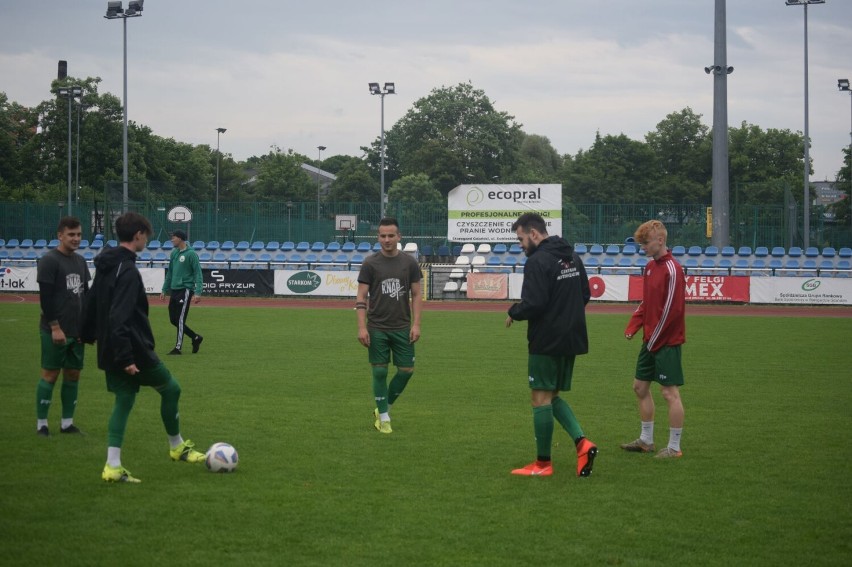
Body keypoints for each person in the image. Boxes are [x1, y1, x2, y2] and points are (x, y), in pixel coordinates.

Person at [82, 212, 206, 483]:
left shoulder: (107, 265)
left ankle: (112, 466)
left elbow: (91, 301)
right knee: (171, 388)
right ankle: (177, 447)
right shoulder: (126, 270)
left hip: (109, 347)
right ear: (138, 234)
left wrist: (86, 333)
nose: (147, 240)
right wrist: (127, 356)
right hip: (132, 350)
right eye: (147, 235)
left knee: (124, 401)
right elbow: (120, 316)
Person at [506, 212, 597, 477]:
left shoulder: (537, 261)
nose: (521, 245)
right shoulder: (572, 256)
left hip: (546, 339)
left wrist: (514, 311)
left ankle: (543, 464)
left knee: (539, 398)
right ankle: (582, 443)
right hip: (572, 338)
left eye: (521, 239)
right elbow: (585, 294)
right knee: (552, 395)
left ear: (534, 234)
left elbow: (534, 303)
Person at [622, 219, 686, 459]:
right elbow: (647, 302)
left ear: (660, 240)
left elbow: (672, 311)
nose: (643, 248)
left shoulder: (673, 269)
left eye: (646, 243)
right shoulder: (650, 267)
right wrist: (635, 325)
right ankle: (646, 440)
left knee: (670, 393)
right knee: (640, 387)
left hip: (667, 342)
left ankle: (674, 447)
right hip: (650, 341)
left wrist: (654, 338)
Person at [356, 217, 422, 434]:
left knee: (406, 370)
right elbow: (361, 296)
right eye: (383, 236)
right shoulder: (369, 263)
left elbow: (416, 294)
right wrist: (362, 327)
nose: (387, 239)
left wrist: (416, 324)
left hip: (402, 326)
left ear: (399, 236)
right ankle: (384, 418)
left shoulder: (409, 263)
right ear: (378, 237)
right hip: (376, 327)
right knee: (380, 372)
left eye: (391, 235)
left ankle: (383, 408)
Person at [35, 216, 91, 436]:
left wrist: (84, 328)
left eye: (78, 234)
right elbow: (45, 299)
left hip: (76, 332)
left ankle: (67, 423)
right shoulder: (49, 260)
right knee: (50, 375)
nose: (76, 238)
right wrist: (55, 327)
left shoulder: (80, 261)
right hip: (54, 330)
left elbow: (84, 296)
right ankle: (42, 424)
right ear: (60, 235)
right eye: (71, 234)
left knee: (73, 375)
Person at [159, 229, 203, 355]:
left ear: (181, 238)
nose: (171, 240)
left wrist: (198, 292)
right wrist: (164, 289)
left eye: (174, 237)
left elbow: (198, 273)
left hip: (185, 290)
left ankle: (178, 348)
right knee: (173, 320)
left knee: (179, 320)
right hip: (174, 290)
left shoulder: (191, 254)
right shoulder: (174, 253)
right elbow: (170, 273)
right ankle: (195, 337)